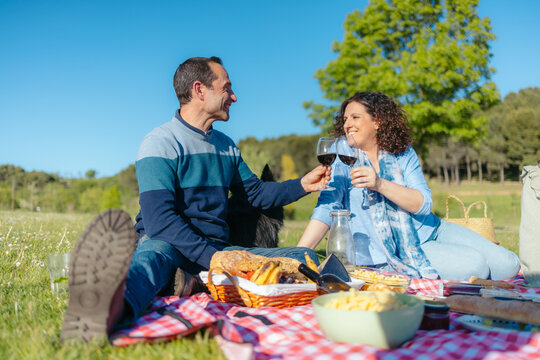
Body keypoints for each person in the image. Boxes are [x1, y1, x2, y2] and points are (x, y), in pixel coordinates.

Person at [61, 56, 330, 343]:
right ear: (200, 90)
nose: (234, 97)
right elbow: (160, 222)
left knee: (303, 258)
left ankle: (190, 282)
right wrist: (214, 258)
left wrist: (303, 184)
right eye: (227, 88)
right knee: (151, 258)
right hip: (171, 245)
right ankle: (106, 310)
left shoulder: (227, 147)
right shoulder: (160, 142)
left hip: (217, 250)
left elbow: (256, 194)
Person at [297, 91, 520, 281]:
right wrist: (295, 257)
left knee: (509, 264)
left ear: (377, 122)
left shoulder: (403, 153)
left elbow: (424, 203)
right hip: (397, 251)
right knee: (475, 266)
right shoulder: (342, 162)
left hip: (432, 229)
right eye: (345, 119)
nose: (347, 124)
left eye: (355, 117)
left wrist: (379, 183)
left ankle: (476, 280)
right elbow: (326, 210)